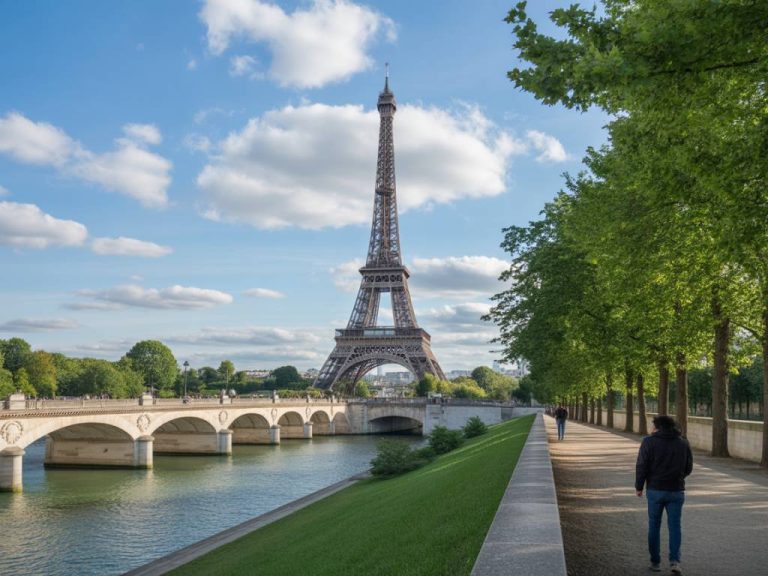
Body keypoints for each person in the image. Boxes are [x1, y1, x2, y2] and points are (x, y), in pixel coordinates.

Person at [635, 415, 693, 574]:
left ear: (658, 427)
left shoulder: (649, 442)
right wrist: (678, 478)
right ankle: (675, 561)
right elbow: (688, 467)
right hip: (676, 490)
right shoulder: (683, 442)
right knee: (675, 526)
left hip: (655, 489)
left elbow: (642, 465)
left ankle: (655, 562)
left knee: (654, 525)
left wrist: (639, 486)